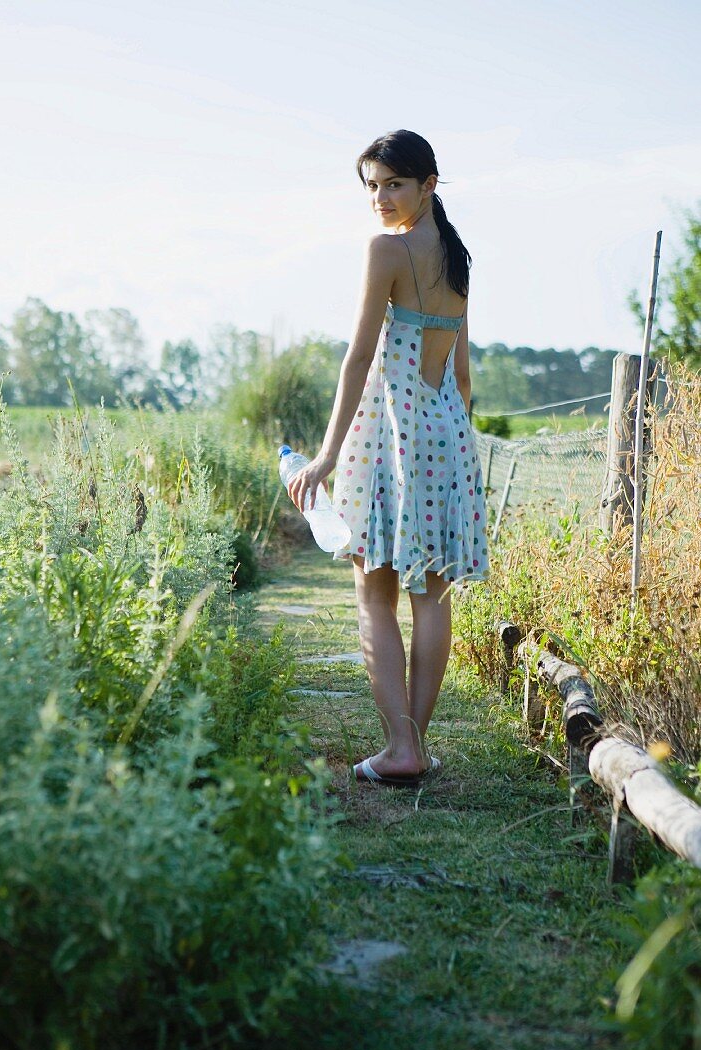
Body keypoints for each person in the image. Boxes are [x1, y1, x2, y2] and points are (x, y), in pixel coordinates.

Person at [286, 130, 489, 786]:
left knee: (373, 588)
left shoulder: (388, 250)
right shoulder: (457, 257)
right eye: (372, 185)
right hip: (445, 433)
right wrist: (456, 443)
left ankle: (402, 747)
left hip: (392, 434)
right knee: (431, 591)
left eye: (394, 183)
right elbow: (461, 374)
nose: (380, 197)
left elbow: (358, 357)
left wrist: (323, 457)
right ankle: (415, 746)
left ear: (430, 183)